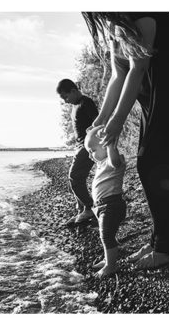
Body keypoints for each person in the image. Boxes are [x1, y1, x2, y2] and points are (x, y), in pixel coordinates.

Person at [82, 12, 169, 268]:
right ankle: (161, 240)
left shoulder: (144, 12)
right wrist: (101, 118)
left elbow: (138, 68)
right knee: (155, 166)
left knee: (154, 166)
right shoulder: (116, 25)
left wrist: (118, 120)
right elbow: (118, 74)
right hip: (151, 100)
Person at [84, 126, 126, 277]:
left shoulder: (113, 160)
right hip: (102, 206)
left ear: (105, 145)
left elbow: (114, 160)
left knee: (106, 235)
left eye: (92, 150)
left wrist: (110, 144)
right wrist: (94, 130)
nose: (90, 156)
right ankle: (108, 258)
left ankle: (110, 265)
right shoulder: (101, 164)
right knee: (106, 235)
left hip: (111, 205)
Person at [56, 78, 99, 225]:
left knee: (75, 177)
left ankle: (90, 207)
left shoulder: (86, 102)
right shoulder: (75, 106)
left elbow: (98, 123)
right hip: (79, 146)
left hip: (87, 146)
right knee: (74, 180)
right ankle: (81, 211)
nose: (66, 101)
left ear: (73, 91)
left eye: (66, 97)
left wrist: (93, 144)